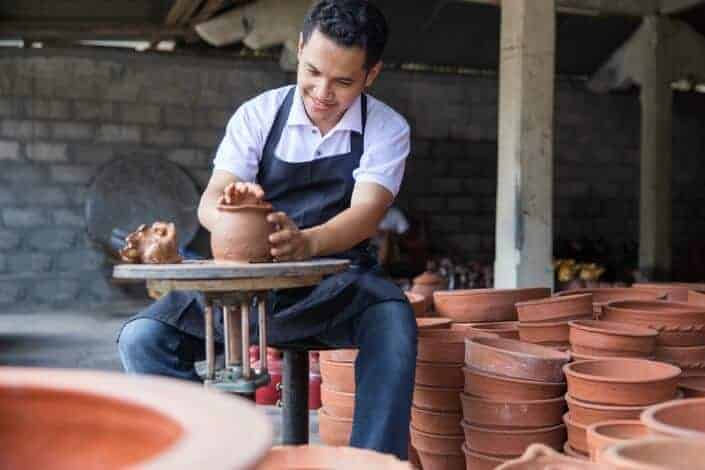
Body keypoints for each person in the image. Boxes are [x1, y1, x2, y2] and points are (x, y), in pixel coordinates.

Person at [117, 0, 416, 459]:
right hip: (245, 288)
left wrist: (308, 242)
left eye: (343, 81)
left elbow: (366, 213)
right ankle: (208, 453)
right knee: (143, 338)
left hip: (334, 286)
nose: (321, 92)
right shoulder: (258, 115)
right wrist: (233, 213)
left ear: (371, 75)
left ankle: (371, 462)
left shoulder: (386, 127)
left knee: (394, 325)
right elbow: (208, 205)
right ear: (299, 49)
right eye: (313, 71)